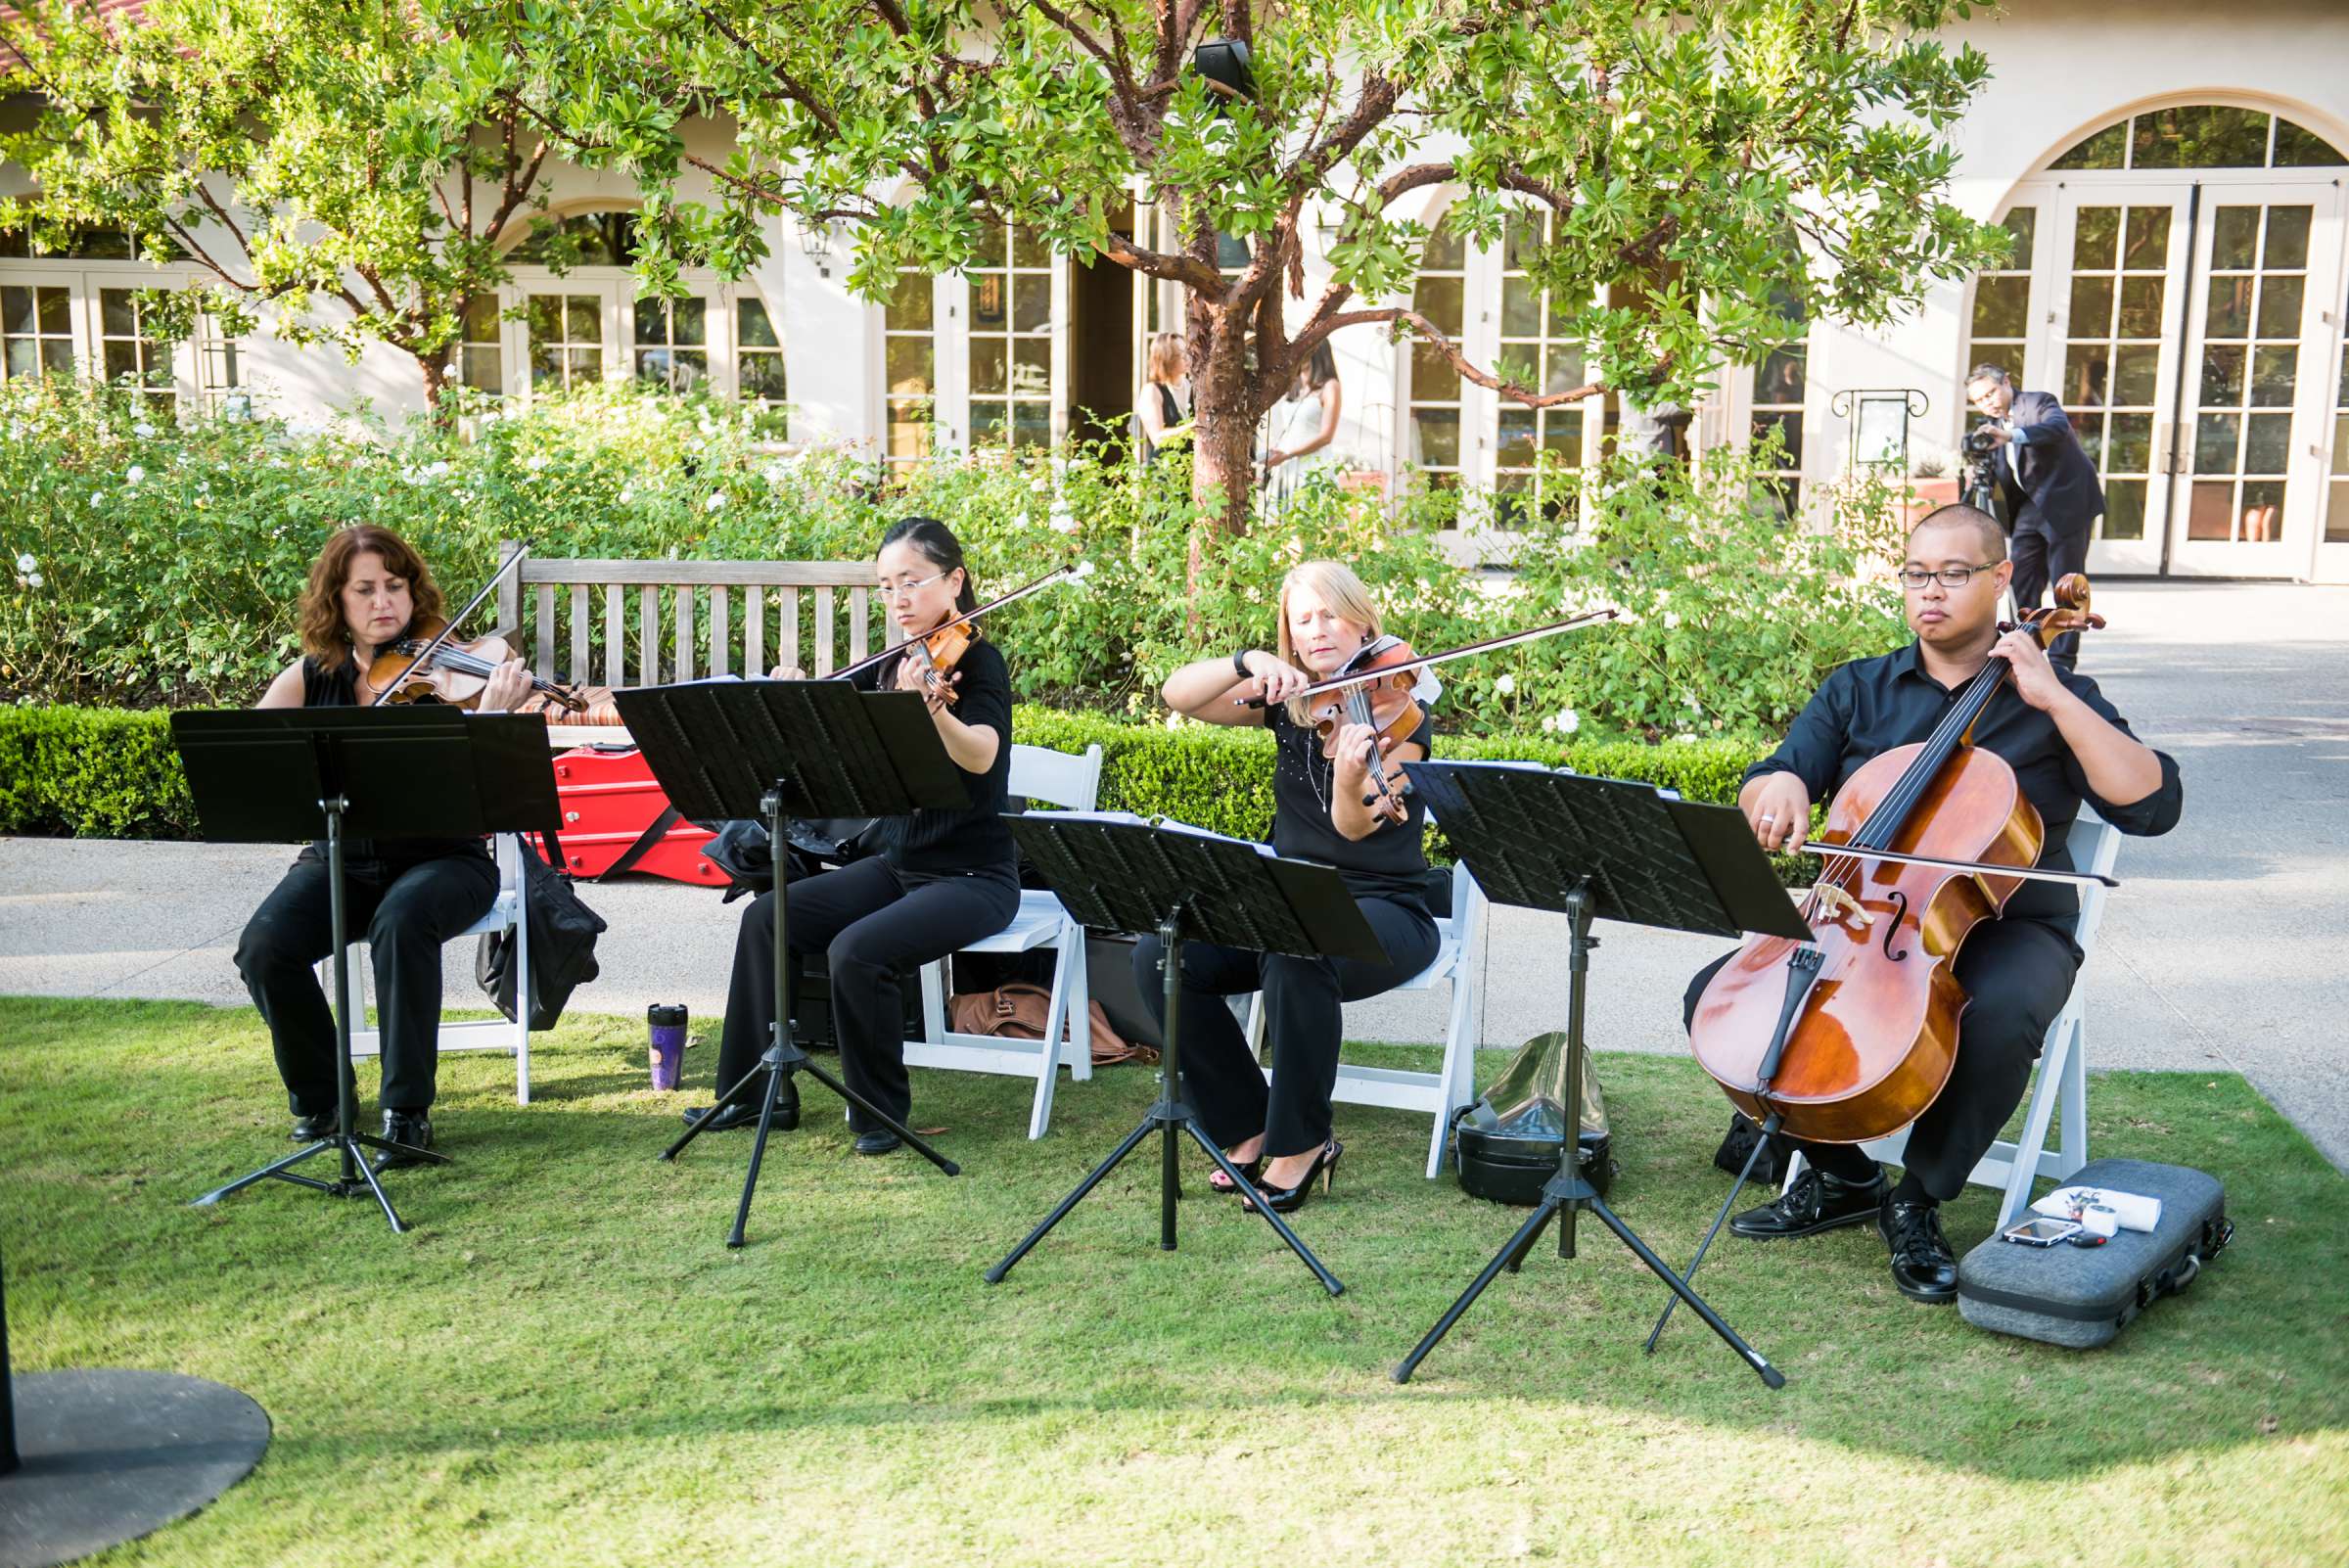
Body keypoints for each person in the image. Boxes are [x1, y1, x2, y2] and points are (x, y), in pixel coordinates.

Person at [1682, 505, 2181, 1303]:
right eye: (1918, 574)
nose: (1932, 592)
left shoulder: (2054, 694)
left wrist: (2052, 697)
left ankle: (1917, 1199)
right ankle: (1846, 1179)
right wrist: (1774, 783)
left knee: (2002, 1010)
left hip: (2012, 924)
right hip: (1865, 922)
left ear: (1999, 581)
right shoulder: (1858, 688)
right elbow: (1779, 770)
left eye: (1954, 574)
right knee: (1719, 993)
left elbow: (2150, 806)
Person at [682, 517, 1019, 1156]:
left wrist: (939, 712)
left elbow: (981, 757)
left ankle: (878, 1115)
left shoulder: (978, 662)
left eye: (911, 582)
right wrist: (792, 699)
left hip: (974, 878)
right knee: (767, 918)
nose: (898, 599)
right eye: (887, 585)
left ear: (954, 581)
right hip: (901, 866)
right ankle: (754, 1096)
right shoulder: (895, 664)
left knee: (857, 950)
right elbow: (829, 722)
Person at [1139, 561, 1441, 1212]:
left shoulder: (1402, 718)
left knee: (1297, 951)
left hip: (1387, 912)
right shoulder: (1291, 704)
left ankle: (1303, 1143)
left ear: (1361, 620)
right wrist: (1246, 661)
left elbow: (1356, 827)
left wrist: (1347, 774)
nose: (1319, 630)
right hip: (1290, 902)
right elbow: (1178, 694)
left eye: (1331, 614)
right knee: (1163, 953)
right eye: (1303, 620)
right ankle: (1247, 1127)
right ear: (1293, 638)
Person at [236, 525, 534, 1164]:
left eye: (394, 587)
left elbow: (496, 793)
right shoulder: (311, 678)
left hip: (444, 859)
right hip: (342, 859)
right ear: (335, 600)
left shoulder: (454, 672)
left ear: (412, 591)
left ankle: (407, 1113)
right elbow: (249, 758)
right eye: (365, 589)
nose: (383, 603)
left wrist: (492, 721)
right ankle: (324, 1099)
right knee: (264, 948)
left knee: (402, 921)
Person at [1964, 363, 2105, 666]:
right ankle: (2026, 651)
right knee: (2022, 579)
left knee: (2065, 584)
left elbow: (2055, 429)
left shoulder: (2038, 403)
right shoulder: (1989, 426)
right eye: (1979, 400)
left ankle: (2062, 662)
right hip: (2030, 506)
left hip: (2066, 501)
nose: (1986, 402)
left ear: (2006, 383)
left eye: (1990, 393)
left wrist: (2010, 435)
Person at [1261, 342, 1342, 514]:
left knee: (1309, 522)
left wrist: (1288, 454)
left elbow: (1327, 436)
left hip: (1311, 463)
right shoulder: (1295, 385)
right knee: (1279, 525)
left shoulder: (1330, 386)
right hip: (1286, 463)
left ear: (1317, 352)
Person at [1135, 332, 1191, 470]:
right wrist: (1191, 428)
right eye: (1180, 354)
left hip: (1192, 473)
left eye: (1187, 351)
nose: (1187, 357)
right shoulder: (1152, 391)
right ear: (1165, 358)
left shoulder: (1195, 388)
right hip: (1165, 474)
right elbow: (1157, 438)